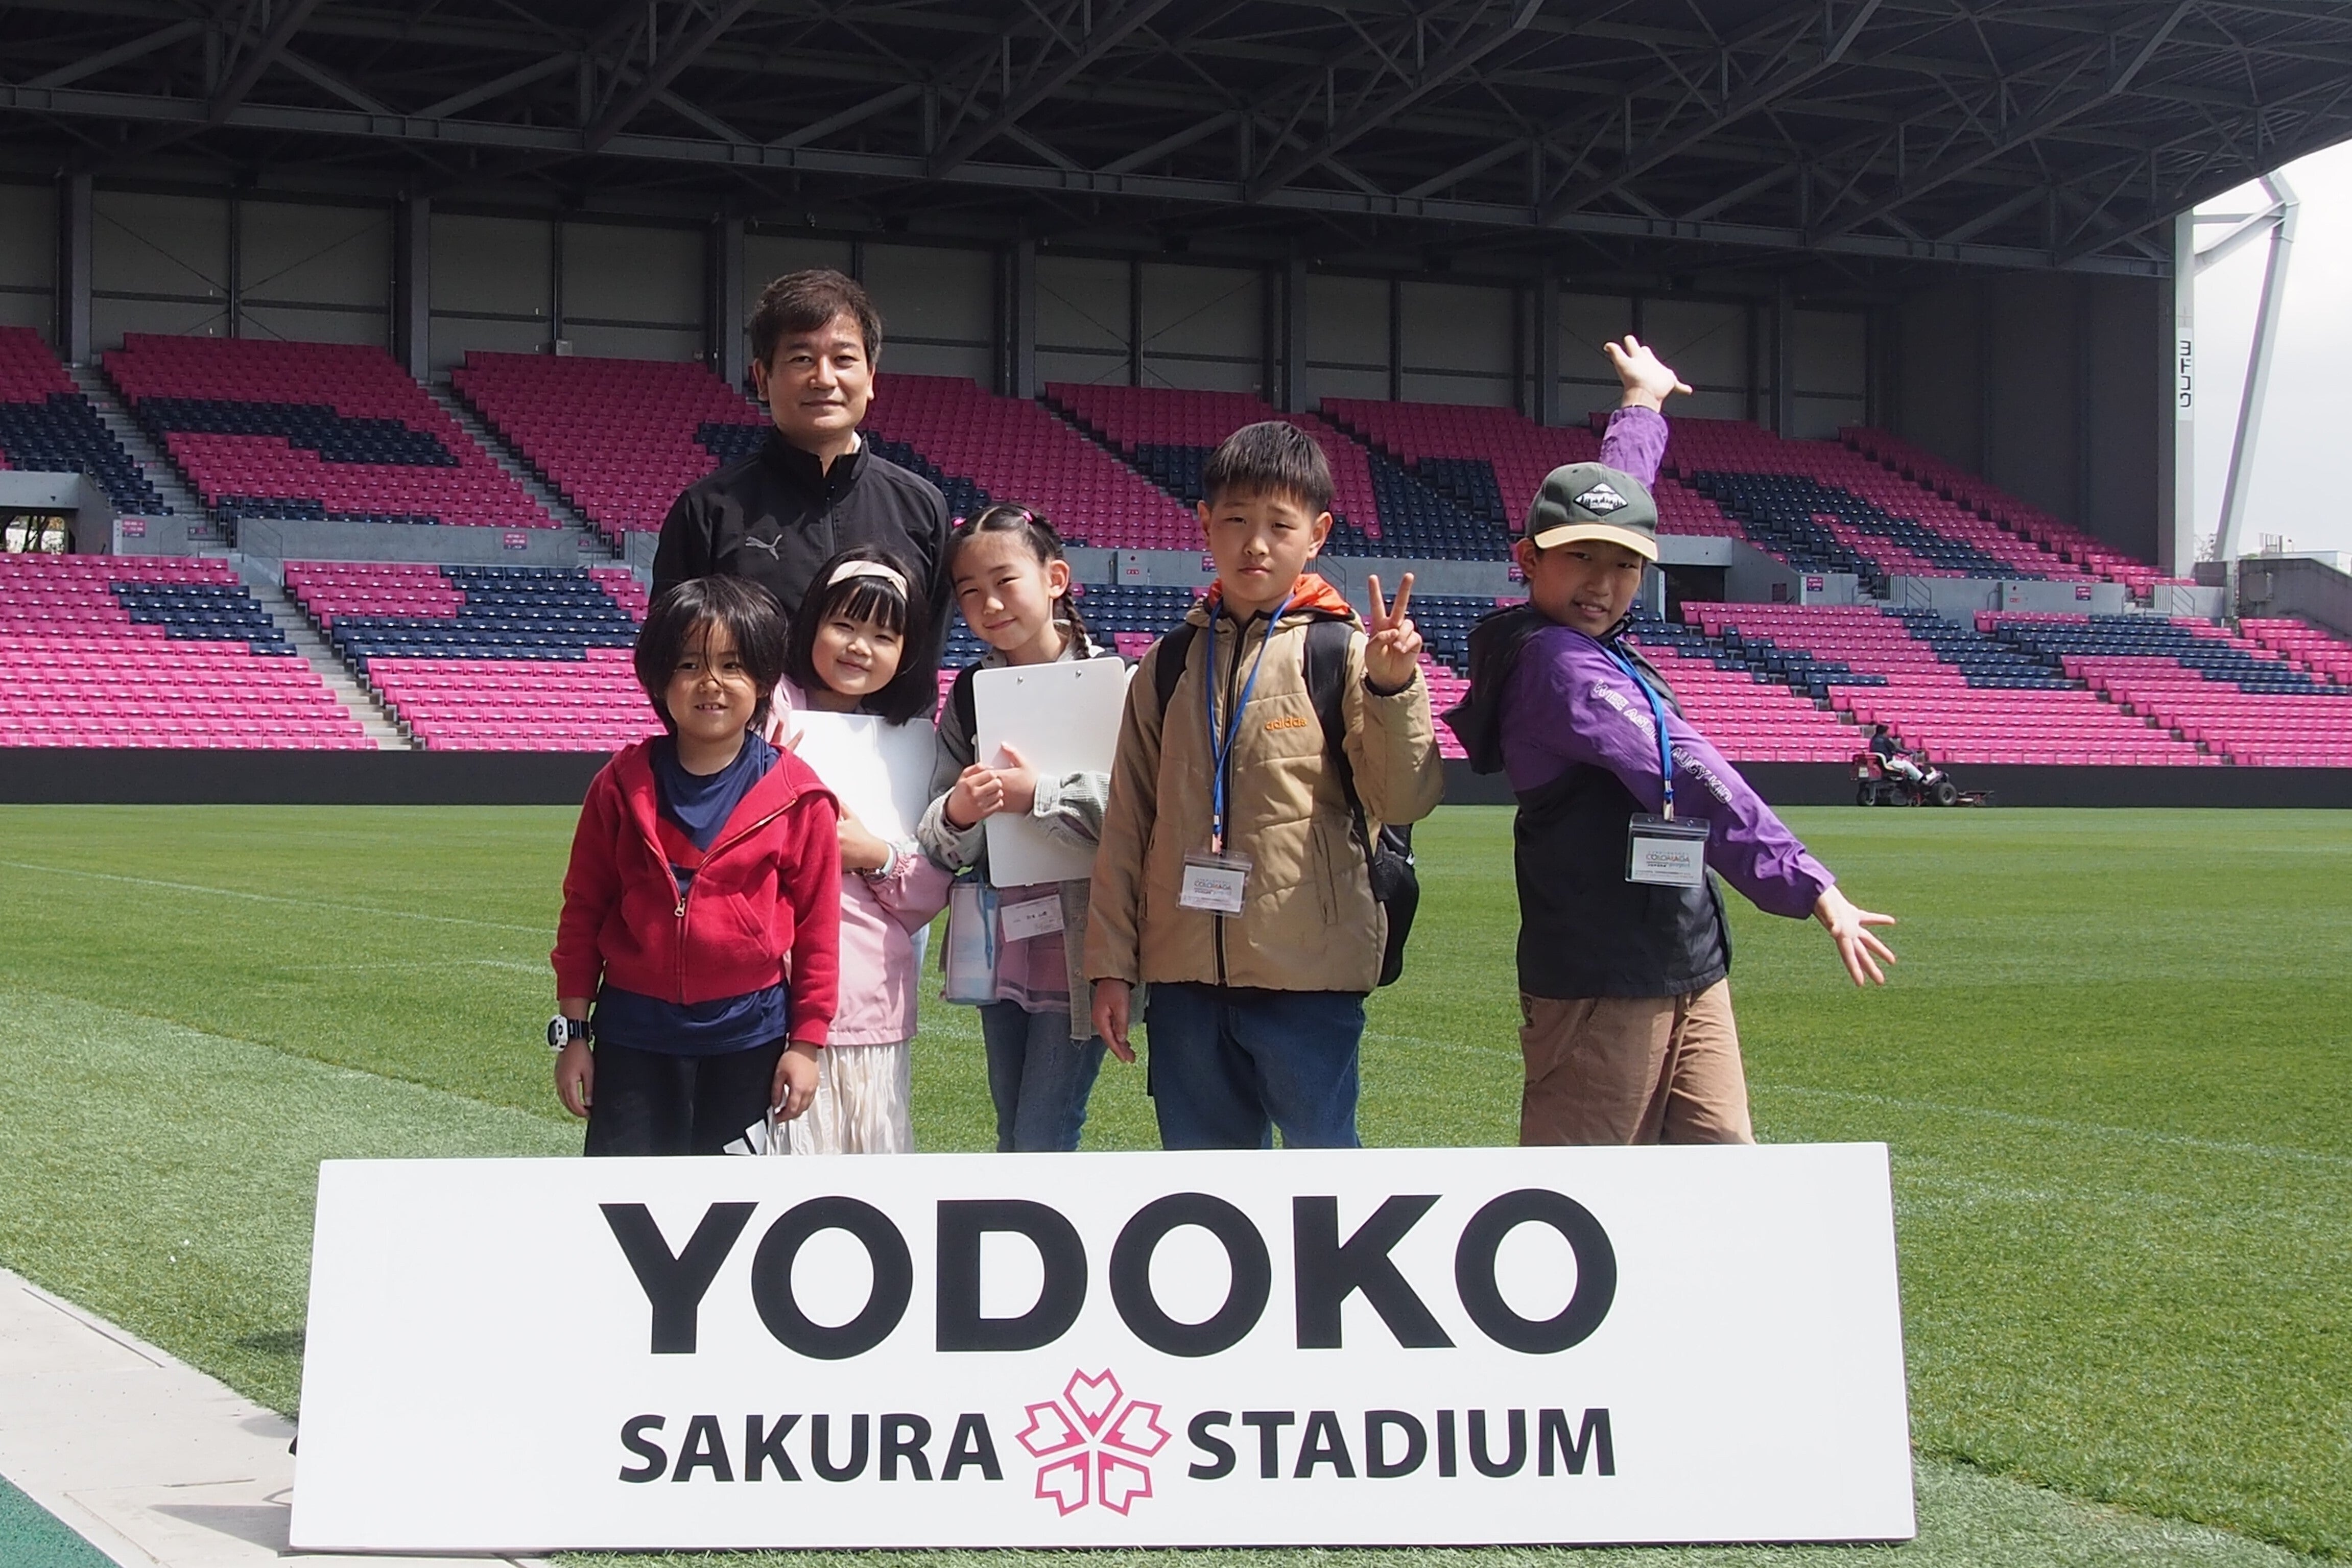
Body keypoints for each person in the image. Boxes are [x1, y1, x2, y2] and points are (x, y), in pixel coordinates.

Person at [1446, 336, 1898, 1147]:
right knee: (1590, 1195)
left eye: (1625, 565)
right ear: (1527, 560)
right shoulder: (1556, 665)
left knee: (1722, 1174)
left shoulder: (1590, 633)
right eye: (1579, 558)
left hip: (1685, 958)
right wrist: (1809, 883)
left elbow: (1617, 499)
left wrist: (1642, 405)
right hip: (1601, 978)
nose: (1602, 581)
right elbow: (1688, 771)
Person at [1085, 422, 1444, 1151]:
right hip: (1185, 978)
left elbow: (1404, 799)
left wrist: (1393, 687)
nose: (1256, 544)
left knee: (1323, 1178)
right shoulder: (1168, 662)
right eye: (1236, 521)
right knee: (1206, 1186)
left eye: (1280, 525)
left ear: (1317, 535)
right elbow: (1127, 824)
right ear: (1204, 524)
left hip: (1308, 979)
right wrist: (1112, 969)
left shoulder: (1343, 652)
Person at [550, 575, 840, 1156]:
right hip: (633, 1036)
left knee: (731, 1204)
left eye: (733, 665)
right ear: (660, 678)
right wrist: (574, 1033)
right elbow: (583, 911)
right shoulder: (618, 786)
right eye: (689, 664)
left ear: (764, 680)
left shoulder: (799, 796)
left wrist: (805, 1045)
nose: (711, 682)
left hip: (748, 1039)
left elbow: (819, 932)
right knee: (626, 1199)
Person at [917, 504, 1119, 1152]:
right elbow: (937, 829)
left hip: (1084, 938)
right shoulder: (970, 692)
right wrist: (961, 811)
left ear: (1055, 578)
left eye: (1005, 581)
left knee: (1042, 1132)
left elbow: (1144, 816)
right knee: (1012, 1128)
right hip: (999, 934)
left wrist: (1043, 794)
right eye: (971, 592)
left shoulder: (1118, 682)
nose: (991, 604)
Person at [651, 268, 954, 678]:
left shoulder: (922, 509)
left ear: (870, 378)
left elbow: (923, 663)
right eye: (802, 359)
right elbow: (671, 662)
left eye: (843, 360)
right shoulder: (707, 511)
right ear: (762, 379)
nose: (824, 379)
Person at [772, 547, 950, 1154]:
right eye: (844, 624)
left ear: (908, 651)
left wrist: (875, 854)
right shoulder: (771, 712)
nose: (859, 647)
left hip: (872, 995)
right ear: (812, 624)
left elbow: (928, 894)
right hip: (771, 993)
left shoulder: (915, 742)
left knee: (867, 1159)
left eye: (883, 635)